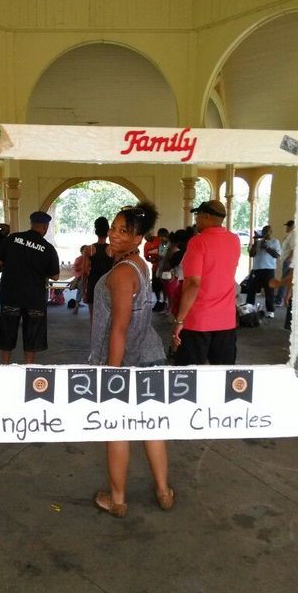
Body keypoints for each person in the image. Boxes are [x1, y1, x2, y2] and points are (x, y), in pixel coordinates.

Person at [90, 202, 173, 518]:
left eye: (123, 231)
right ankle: (164, 492)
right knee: (152, 425)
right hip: (150, 354)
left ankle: (119, 499)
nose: (113, 234)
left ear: (139, 237)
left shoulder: (123, 273)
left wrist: (112, 374)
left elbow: (119, 329)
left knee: (118, 429)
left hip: (124, 362)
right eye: (113, 227)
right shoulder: (139, 264)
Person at [172, 200, 240, 365]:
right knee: (223, 375)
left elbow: (193, 283)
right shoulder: (235, 240)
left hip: (198, 321)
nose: (196, 219)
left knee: (188, 376)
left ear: (207, 217)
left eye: (198, 216)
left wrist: (180, 320)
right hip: (226, 321)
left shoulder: (198, 242)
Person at [0, 211, 59, 365]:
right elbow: (55, 276)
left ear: (31, 223)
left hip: (11, 296)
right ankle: (28, 370)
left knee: (7, 333)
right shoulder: (48, 248)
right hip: (34, 299)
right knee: (32, 336)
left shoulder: (12, 239)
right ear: (45, 226)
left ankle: (5, 367)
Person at [82, 216, 114, 322]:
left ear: (96, 231)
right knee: (108, 320)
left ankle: (94, 339)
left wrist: (84, 291)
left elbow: (85, 272)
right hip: (108, 286)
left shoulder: (89, 249)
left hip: (93, 286)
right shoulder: (113, 249)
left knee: (94, 320)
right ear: (108, 231)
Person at [246, 225, 281, 318]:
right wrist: (254, 242)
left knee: (269, 291)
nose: (265, 233)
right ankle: (250, 307)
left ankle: (270, 311)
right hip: (257, 269)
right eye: (263, 231)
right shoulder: (258, 242)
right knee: (251, 288)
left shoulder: (275, 242)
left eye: (267, 231)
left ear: (271, 232)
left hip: (269, 269)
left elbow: (277, 255)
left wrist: (267, 248)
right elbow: (251, 254)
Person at [274, 219, 295, 306]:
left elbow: (294, 248)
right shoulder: (290, 235)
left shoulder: (293, 235)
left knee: (284, 280)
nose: (286, 227)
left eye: (287, 226)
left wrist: (289, 258)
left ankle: (279, 300)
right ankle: (282, 299)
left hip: (288, 261)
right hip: (286, 260)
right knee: (286, 280)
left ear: (291, 227)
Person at [71, 245, 86, 314]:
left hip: (87, 278)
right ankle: (76, 305)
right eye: (84, 250)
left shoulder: (90, 259)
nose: (86, 252)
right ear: (81, 251)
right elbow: (76, 269)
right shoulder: (79, 259)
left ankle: (78, 304)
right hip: (81, 278)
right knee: (81, 287)